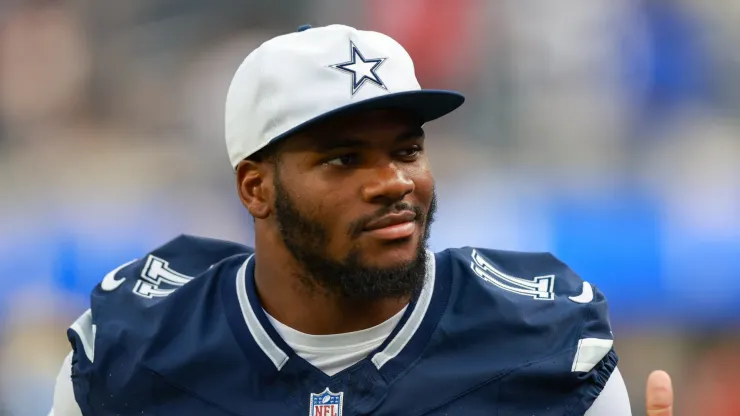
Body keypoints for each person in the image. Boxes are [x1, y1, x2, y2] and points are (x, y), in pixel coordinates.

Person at [49, 24, 673, 415]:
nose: (394, 183)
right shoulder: (136, 348)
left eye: (407, 150)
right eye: (346, 158)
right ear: (256, 187)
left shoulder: (541, 341)